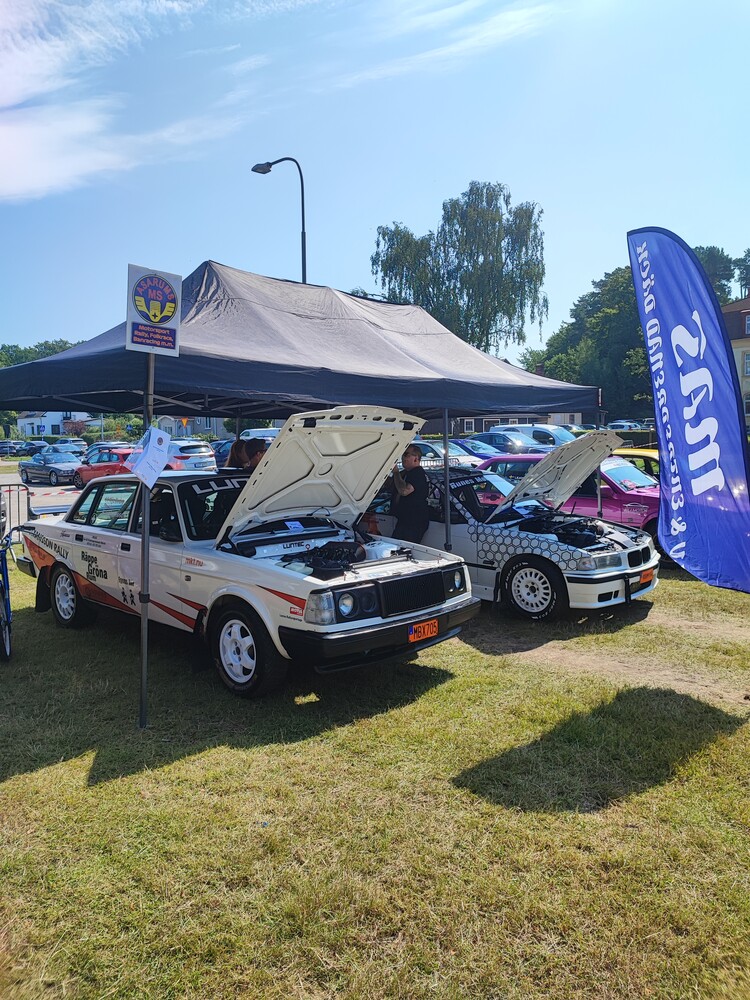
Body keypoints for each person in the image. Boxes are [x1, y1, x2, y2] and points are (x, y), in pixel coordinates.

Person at [391, 444, 430, 542]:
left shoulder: (417, 473)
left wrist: (396, 472)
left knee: (402, 547)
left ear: (416, 458)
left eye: (406, 454)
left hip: (414, 520)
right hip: (405, 519)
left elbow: (404, 491)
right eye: (402, 454)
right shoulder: (407, 473)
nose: (403, 457)